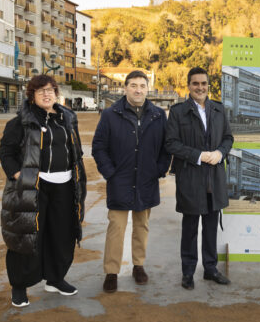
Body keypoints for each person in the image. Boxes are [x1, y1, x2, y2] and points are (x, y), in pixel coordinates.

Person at [0, 74, 87, 308]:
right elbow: (6, 153)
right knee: (26, 236)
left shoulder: (68, 117)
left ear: (56, 93)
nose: (47, 94)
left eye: (50, 90)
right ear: (32, 96)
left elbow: (74, 149)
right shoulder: (21, 122)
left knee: (62, 234)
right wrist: (20, 176)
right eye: (40, 91)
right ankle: (19, 287)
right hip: (34, 187)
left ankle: (55, 279)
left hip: (66, 185)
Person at [92, 70, 171, 292]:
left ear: (148, 89)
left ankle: (138, 266)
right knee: (116, 227)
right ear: (125, 88)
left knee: (142, 226)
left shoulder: (157, 115)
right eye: (133, 85)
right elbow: (99, 147)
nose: (138, 90)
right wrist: (110, 173)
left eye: (142, 86)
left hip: (146, 180)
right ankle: (111, 271)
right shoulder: (110, 114)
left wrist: (159, 170)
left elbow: (166, 147)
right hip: (120, 180)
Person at [165, 67, 233, 290]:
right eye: (196, 84)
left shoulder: (219, 110)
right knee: (191, 227)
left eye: (204, 83)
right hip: (191, 178)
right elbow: (171, 143)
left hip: (214, 177)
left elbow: (228, 138)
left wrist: (220, 153)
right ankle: (188, 272)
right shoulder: (178, 112)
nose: (200, 87)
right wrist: (198, 155)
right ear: (189, 86)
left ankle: (211, 269)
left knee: (211, 226)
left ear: (208, 86)